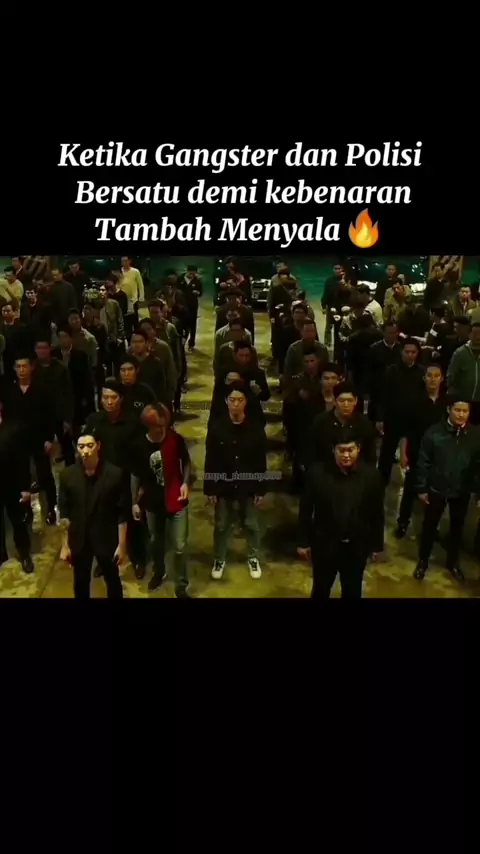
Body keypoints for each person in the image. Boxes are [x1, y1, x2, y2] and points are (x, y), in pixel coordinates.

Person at [297, 431, 384, 599]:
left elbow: (377, 513)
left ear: (358, 449)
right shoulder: (317, 474)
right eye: (341, 450)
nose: (346, 455)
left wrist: (377, 545)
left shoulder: (371, 476)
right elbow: (305, 509)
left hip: (356, 548)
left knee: (353, 591)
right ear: (333, 450)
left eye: (350, 450)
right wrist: (302, 542)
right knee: (321, 590)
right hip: (325, 546)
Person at [204, 383, 267, 580]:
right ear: (226, 401)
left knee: (251, 524)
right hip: (224, 485)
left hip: (249, 484)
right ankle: (219, 558)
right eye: (232, 400)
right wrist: (210, 488)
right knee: (222, 525)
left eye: (240, 400)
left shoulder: (256, 429)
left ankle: (253, 557)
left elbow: (261, 462)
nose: (236, 404)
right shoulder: (217, 428)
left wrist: (260, 490)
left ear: (246, 402)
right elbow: (210, 460)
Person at [413, 395, 480, 581]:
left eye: (465, 411)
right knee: (429, 526)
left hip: (461, 489)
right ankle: (423, 561)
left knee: (457, 528)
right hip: (437, 488)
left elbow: (478, 465)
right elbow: (423, 462)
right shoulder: (433, 433)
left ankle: (453, 562)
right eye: (457, 410)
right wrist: (421, 488)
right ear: (449, 409)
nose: (461, 414)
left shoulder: (475, 435)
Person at [130, 404, 192, 597]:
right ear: (148, 426)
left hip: (176, 499)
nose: (162, 429)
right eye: (157, 426)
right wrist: (134, 502)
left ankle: (181, 586)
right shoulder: (139, 446)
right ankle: (159, 571)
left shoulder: (175, 439)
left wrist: (185, 483)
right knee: (156, 542)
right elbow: (135, 476)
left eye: (164, 424)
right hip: (153, 502)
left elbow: (186, 462)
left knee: (180, 546)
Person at [58, 429, 128, 598]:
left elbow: (122, 513)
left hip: (106, 536)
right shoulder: (67, 475)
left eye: (90, 445)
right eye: (81, 446)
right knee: (80, 582)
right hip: (80, 538)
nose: (85, 451)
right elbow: (64, 513)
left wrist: (122, 545)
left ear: (98, 446)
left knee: (112, 580)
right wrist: (65, 545)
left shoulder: (115, 474)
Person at [395, 362, 446, 538]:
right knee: (410, 489)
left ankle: (431, 525)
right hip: (417, 451)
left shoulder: (446, 402)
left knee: (436, 492)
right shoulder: (413, 400)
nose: (433, 379)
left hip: (439, 455)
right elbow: (405, 431)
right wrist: (403, 453)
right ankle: (403, 522)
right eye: (429, 375)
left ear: (442, 379)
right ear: (424, 378)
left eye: (436, 376)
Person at [376, 338, 425, 485]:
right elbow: (383, 395)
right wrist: (380, 418)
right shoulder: (391, 371)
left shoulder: (422, 372)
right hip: (393, 418)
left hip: (414, 421)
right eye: (407, 352)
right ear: (401, 352)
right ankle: (380, 483)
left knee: (413, 454)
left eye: (413, 352)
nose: (410, 355)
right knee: (387, 453)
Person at [308, 381, 377, 467]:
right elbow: (312, 451)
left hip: (357, 470)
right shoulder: (321, 422)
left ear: (355, 401)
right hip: (326, 469)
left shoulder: (363, 423)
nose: (346, 404)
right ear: (334, 401)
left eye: (350, 400)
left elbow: (370, 455)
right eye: (342, 400)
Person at [0, 416, 34, 573]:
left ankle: (25, 554)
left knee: (18, 521)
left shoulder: (13, 430)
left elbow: (22, 460)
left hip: (12, 484)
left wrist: (25, 487)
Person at [447, 321, 480, 425]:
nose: (478, 336)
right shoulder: (460, 353)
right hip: (463, 401)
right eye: (475, 333)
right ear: (469, 334)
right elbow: (450, 376)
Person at [177, 265, 203, 350]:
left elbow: (201, 292)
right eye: (190, 273)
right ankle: (181, 343)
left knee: (192, 325)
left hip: (192, 306)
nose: (192, 275)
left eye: (194, 273)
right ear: (187, 271)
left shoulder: (197, 281)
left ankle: (191, 343)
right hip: (181, 306)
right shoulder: (180, 279)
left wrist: (198, 293)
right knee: (181, 325)